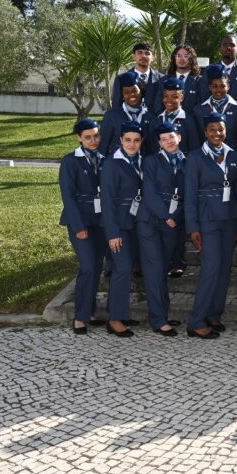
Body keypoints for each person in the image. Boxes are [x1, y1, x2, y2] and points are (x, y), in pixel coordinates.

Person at [184, 113, 237, 339]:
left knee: (224, 268)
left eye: (221, 130)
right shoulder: (196, 157)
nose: (217, 134)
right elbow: (189, 195)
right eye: (212, 130)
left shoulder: (234, 155)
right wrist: (192, 227)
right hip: (207, 221)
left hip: (229, 221)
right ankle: (196, 321)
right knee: (210, 268)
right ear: (205, 132)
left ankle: (213, 314)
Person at [59, 119, 109, 335]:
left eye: (96, 136)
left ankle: (89, 312)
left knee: (97, 268)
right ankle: (80, 317)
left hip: (100, 222)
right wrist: (79, 226)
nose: (93, 140)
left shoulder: (104, 159)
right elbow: (68, 197)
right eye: (87, 137)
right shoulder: (70, 161)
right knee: (88, 267)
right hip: (80, 221)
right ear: (79, 138)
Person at [136, 121, 186, 336]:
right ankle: (157, 319)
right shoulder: (151, 162)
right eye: (163, 139)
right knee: (155, 270)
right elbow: (150, 192)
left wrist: (176, 217)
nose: (168, 141)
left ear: (179, 138)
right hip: (151, 222)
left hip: (173, 222)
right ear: (158, 143)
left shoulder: (188, 161)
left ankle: (162, 313)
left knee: (163, 270)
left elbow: (190, 194)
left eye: (171, 137)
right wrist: (167, 216)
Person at [100, 120, 146, 338]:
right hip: (119, 226)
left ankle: (122, 313)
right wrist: (112, 233)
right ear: (120, 141)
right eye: (127, 140)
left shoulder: (142, 161)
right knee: (123, 269)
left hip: (137, 224)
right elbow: (107, 201)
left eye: (136, 140)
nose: (132, 144)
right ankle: (114, 319)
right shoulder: (111, 164)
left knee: (129, 269)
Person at [194, 64, 237, 148]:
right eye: (215, 86)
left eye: (222, 86)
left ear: (228, 86)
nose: (219, 90)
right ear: (209, 87)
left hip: (232, 155)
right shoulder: (199, 110)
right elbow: (198, 139)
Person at [99, 71, 151, 157]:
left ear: (141, 91)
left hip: (144, 167)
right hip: (118, 166)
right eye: (126, 92)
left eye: (135, 91)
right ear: (122, 96)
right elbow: (103, 146)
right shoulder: (111, 116)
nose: (131, 95)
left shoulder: (150, 117)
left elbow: (153, 148)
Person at [146, 76, 199, 157]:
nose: (169, 100)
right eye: (166, 96)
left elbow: (194, 149)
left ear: (181, 98)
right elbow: (151, 148)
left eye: (174, 97)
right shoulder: (156, 120)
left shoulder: (189, 121)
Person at [155, 44, 205, 114]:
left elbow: (202, 106)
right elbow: (158, 106)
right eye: (178, 56)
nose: (182, 59)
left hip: (191, 123)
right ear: (174, 58)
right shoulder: (163, 80)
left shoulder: (200, 81)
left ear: (191, 59)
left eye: (186, 56)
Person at [208, 34, 237, 107]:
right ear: (220, 49)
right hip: (213, 115)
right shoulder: (209, 69)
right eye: (225, 44)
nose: (228, 47)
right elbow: (204, 95)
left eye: (232, 45)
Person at [112, 42, 162, 110]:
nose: (143, 56)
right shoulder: (121, 79)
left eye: (147, 53)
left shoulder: (162, 79)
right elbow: (117, 105)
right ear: (133, 56)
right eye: (140, 52)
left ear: (152, 58)